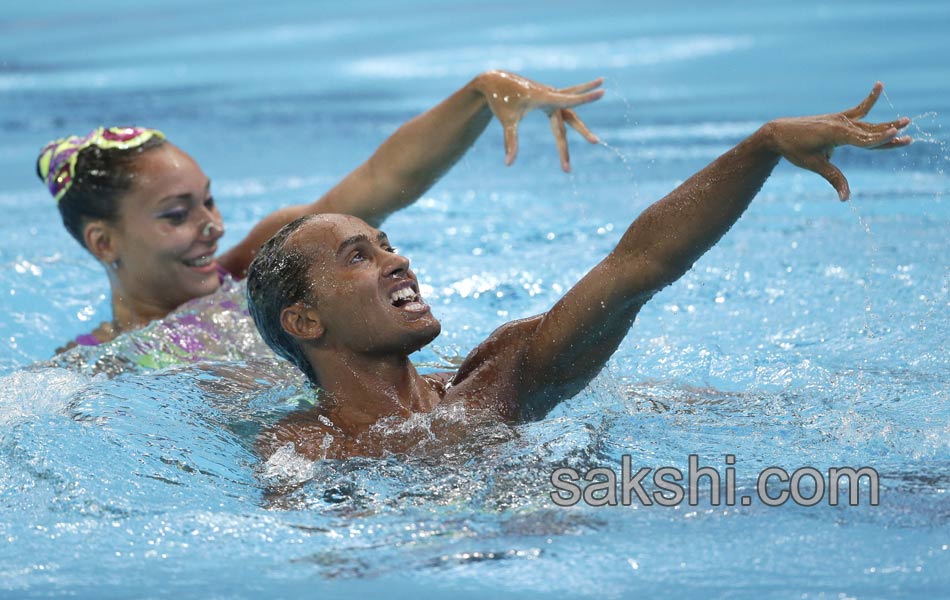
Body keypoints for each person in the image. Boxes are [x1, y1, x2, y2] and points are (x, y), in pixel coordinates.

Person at [246, 83, 912, 461]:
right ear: (304, 320)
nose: (399, 260)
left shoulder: (499, 379)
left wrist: (760, 147)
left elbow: (640, 266)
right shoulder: (304, 449)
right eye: (359, 256)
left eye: (387, 243)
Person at [36, 70, 605, 353]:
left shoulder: (257, 267)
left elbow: (382, 181)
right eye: (176, 215)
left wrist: (480, 92)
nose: (213, 225)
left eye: (208, 199)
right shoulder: (103, 361)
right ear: (103, 242)